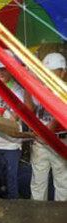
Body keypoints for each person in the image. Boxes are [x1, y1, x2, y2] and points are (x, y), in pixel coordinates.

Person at [25, 52, 67, 201]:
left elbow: (60, 116)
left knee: (62, 182)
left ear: (62, 73)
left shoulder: (65, 90)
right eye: (45, 73)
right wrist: (28, 85)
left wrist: (47, 130)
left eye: (52, 72)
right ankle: (38, 218)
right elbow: (30, 108)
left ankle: (61, 217)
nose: (48, 76)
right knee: (38, 182)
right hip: (41, 142)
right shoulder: (41, 89)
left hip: (59, 141)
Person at [0, 50, 24, 199]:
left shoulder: (18, 92)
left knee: (9, 182)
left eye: (3, 69)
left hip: (10, 145)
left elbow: (13, 120)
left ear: (11, 70)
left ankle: (12, 215)